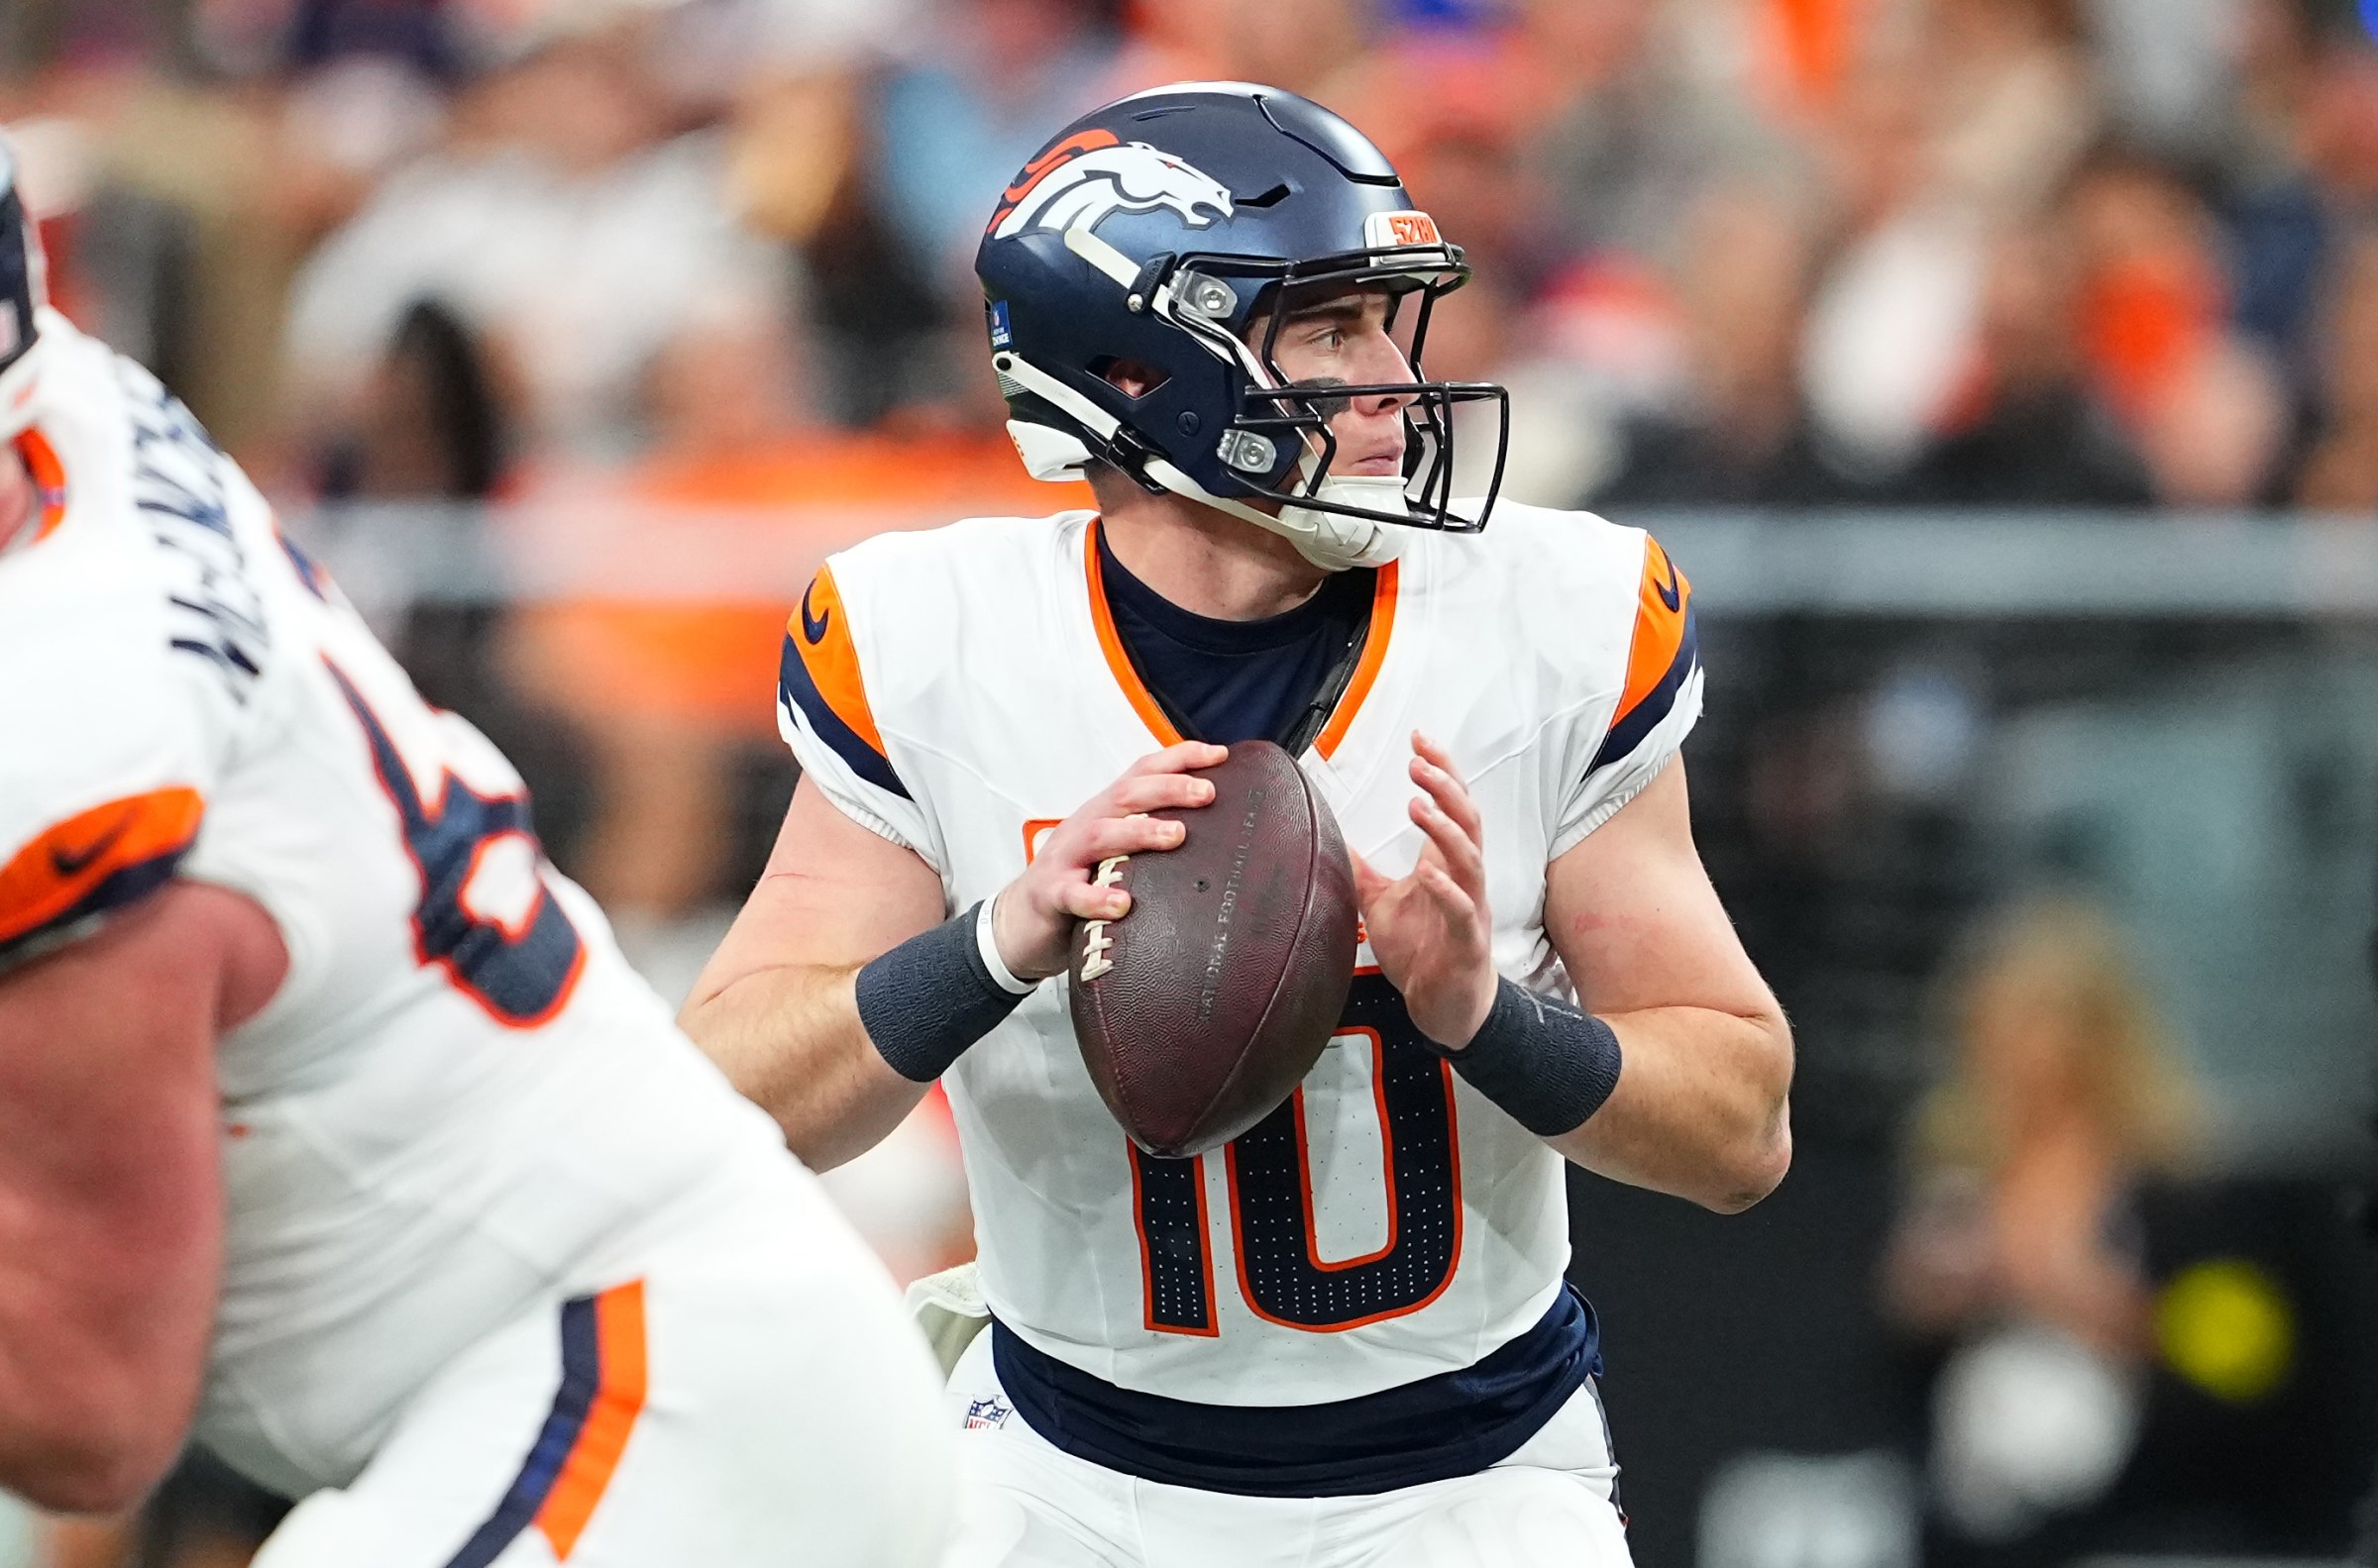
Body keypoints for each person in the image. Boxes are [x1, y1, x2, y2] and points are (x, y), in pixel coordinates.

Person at [683, 84, 1794, 1567]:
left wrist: (1489, 1019)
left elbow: (1743, 1131)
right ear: (1140, 369)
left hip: (1465, 1490)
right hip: (1068, 1481)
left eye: (1390, 323)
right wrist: (996, 942)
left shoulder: (1554, 617)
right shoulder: (930, 638)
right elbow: (727, 1110)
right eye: (1331, 331)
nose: (1393, 378)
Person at [0, 141, 949, 1565]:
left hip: (639, 1395)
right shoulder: (58, 411)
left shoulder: (73, 749)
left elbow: (88, 1416)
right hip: (574, 1375)